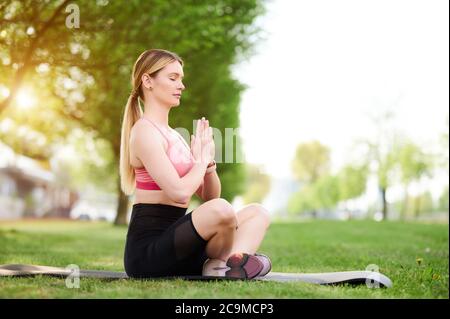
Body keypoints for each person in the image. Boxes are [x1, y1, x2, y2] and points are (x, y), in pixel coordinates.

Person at [119, 49, 272, 279]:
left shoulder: (175, 136)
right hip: (150, 253)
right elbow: (180, 193)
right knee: (222, 209)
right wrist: (199, 161)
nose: (181, 85)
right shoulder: (143, 131)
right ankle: (229, 263)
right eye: (173, 78)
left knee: (258, 213)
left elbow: (210, 197)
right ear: (148, 81)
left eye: (181, 78)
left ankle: (221, 265)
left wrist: (208, 165)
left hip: (184, 241)